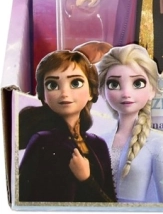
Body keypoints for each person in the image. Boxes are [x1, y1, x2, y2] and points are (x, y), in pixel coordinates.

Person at [18, 50, 116, 203]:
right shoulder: (43, 141)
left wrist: (86, 179)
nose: (64, 93)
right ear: (43, 95)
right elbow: (22, 198)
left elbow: (112, 205)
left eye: (75, 83)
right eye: (52, 85)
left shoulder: (98, 144)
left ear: (91, 92)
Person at [97, 44, 163, 203]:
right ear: (103, 91)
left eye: (138, 83)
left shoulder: (156, 144)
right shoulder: (99, 141)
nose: (126, 93)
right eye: (114, 84)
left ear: (152, 90)